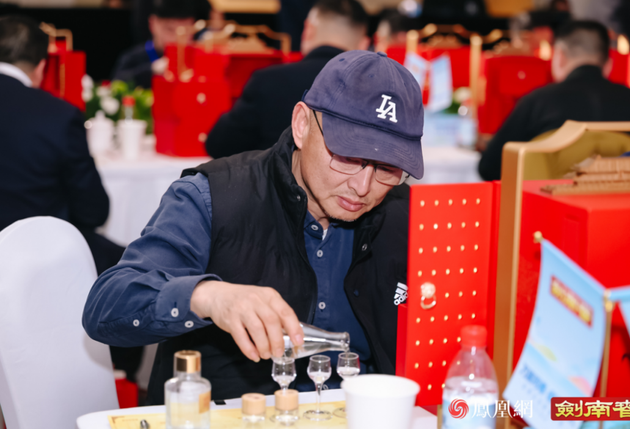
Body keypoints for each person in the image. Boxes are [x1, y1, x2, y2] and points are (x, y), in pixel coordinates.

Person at [83, 50, 424, 403]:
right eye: (349, 157)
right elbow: (107, 305)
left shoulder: (408, 215)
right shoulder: (215, 197)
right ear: (302, 125)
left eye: (387, 168)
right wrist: (208, 297)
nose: (363, 187)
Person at [0, 15, 142, 382]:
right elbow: (93, 210)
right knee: (132, 272)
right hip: (33, 256)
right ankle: (117, 379)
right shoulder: (56, 115)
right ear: (41, 67)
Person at [478, 20, 630, 181]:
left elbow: (489, 167)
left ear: (560, 56)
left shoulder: (537, 101)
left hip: (545, 206)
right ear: (609, 64)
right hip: (626, 207)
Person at [204, 0, 370, 159]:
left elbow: (218, 145)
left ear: (309, 30)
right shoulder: (371, 90)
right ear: (363, 44)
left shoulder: (267, 81)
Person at [113, 0, 198, 89]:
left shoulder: (198, 58)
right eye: (170, 29)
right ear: (152, 24)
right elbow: (116, 83)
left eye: (186, 31)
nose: (177, 38)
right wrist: (152, 70)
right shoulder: (133, 58)